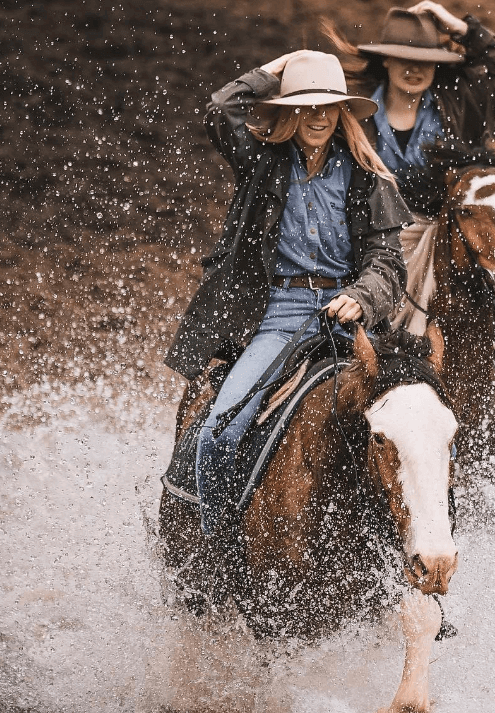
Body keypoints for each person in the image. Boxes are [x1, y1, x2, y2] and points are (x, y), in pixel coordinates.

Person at [164, 50, 410, 534]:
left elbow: (388, 264)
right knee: (217, 434)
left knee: (428, 426)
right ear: (288, 110)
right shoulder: (261, 160)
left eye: (327, 105)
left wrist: (362, 297)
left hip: (352, 313)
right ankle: (221, 547)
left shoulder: (368, 174)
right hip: (281, 314)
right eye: (305, 104)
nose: (318, 116)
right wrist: (277, 68)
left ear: (341, 109)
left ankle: (422, 551)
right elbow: (220, 108)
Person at [324, 2, 495, 444]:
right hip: (370, 241)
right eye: (405, 59)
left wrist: (466, 29)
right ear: (385, 59)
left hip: (443, 238)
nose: (415, 70)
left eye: (426, 61)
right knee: (338, 326)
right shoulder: (354, 113)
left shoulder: (460, 102)